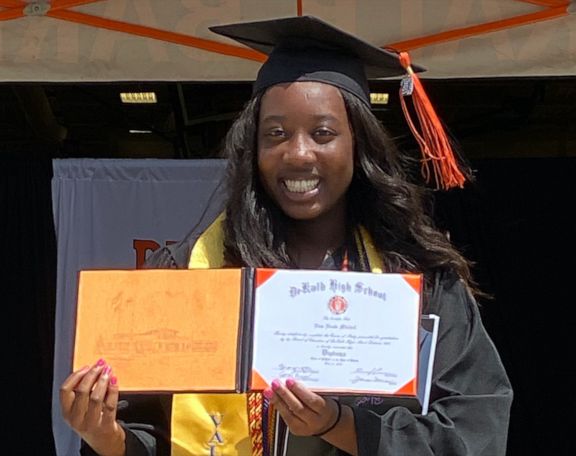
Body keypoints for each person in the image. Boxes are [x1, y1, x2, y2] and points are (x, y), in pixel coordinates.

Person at [60, 16, 512, 456]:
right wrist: (108, 439)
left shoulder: (420, 282)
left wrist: (342, 425)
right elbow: (153, 434)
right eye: (275, 133)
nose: (297, 153)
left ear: (359, 144)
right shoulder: (191, 276)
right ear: (252, 149)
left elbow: (474, 433)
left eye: (323, 133)